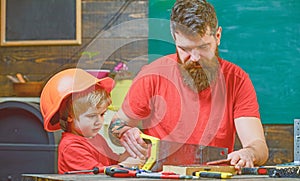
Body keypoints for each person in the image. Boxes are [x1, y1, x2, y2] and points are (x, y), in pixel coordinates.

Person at [108, 0, 269, 173]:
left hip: (213, 176)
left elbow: (258, 145)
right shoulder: (152, 75)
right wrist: (125, 132)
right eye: (184, 49)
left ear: (218, 37)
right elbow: (115, 126)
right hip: (160, 176)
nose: (195, 57)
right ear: (174, 40)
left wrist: (249, 153)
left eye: (203, 47)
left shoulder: (237, 80)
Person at [40, 68, 130, 174]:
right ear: (70, 116)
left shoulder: (97, 139)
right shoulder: (71, 148)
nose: (99, 121)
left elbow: (115, 162)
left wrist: (133, 151)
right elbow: (101, 175)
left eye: (102, 114)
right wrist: (129, 165)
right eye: (92, 116)